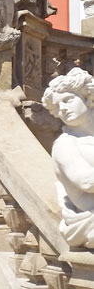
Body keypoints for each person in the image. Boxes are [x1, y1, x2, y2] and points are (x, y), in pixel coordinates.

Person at [42, 67, 94, 248]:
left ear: (87, 99)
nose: (62, 108)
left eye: (68, 100)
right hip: (89, 219)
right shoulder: (65, 145)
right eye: (57, 106)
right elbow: (87, 182)